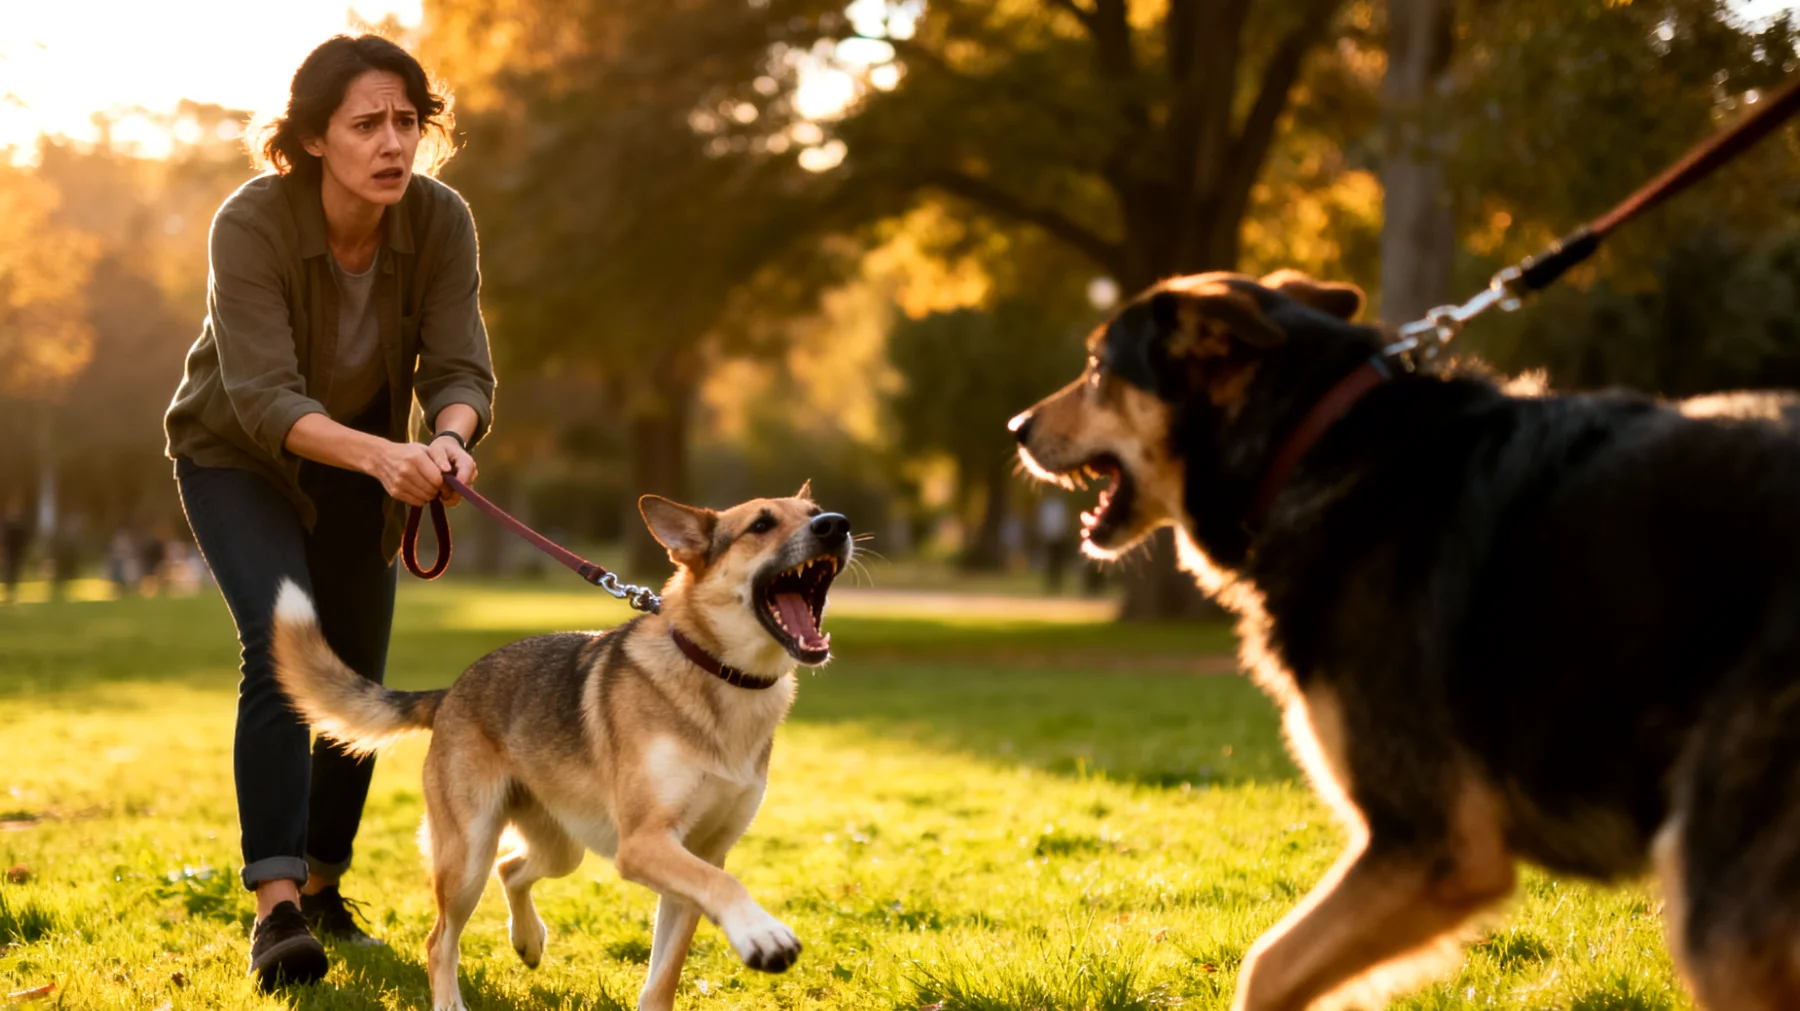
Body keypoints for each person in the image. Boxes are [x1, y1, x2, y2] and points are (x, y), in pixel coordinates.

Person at [163, 34, 495, 990]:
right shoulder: (251, 223)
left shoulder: (439, 220)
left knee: (354, 679)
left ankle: (320, 886)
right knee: (284, 651)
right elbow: (264, 397)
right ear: (312, 139)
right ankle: (273, 910)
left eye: (409, 122)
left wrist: (450, 439)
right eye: (367, 125)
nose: (395, 145)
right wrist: (386, 453)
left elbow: (461, 368)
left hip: (367, 464)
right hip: (237, 456)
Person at [0, 495, 28, 603]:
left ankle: (12, 593)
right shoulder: (6, 524)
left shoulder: (19, 524)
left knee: (15, 572)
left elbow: (23, 539)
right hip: (9, 552)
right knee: (9, 572)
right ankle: (9, 592)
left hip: (17, 553)